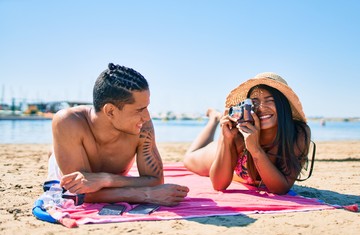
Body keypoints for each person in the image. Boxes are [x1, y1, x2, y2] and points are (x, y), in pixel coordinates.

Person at [48, 63, 189, 206]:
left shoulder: (142, 126)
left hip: (107, 177)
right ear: (110, 111)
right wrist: (145, 194)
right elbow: (81, 192)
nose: (147, 117)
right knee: (56, 155)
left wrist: (105, 179)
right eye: (139, 109)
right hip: (66, 161)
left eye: (146, 107)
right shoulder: (69, 122)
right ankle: (55, 152)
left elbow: (156, 180)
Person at [183, 72, 311, 195]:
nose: (261, 107)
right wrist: (226, 140)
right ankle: (214, 119)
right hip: (217, 154)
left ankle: (215, 117)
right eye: (254, 102)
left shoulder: (297, 133)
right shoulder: (238, 132)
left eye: (270, 100)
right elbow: (218, 185)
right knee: (188, 158)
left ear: (283, 105)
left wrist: (255, 150)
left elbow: (281, 189)